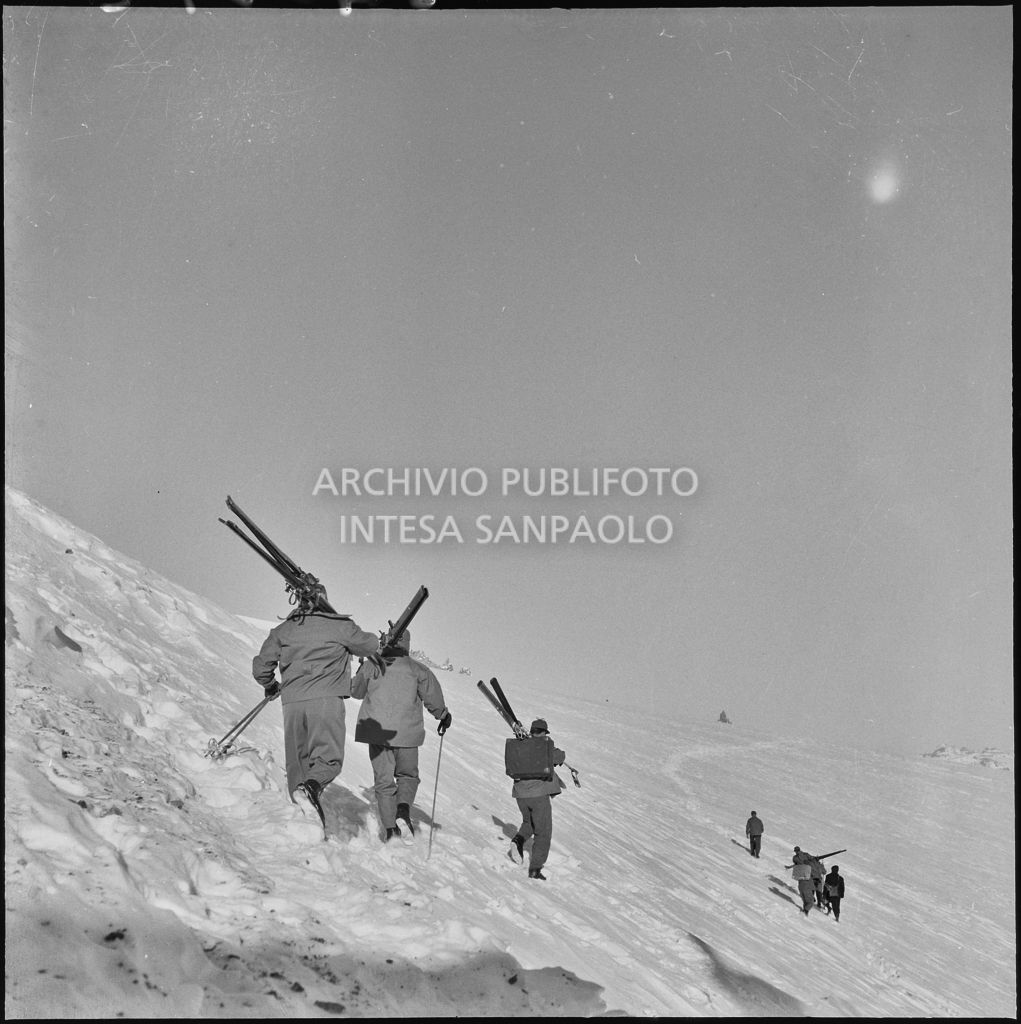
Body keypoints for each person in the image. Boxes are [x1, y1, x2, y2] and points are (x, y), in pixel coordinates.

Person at [251, 585, 382, 825]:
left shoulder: (284, 630)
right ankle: (311, 787)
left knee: (297, 762)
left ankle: (302, 819)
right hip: (326, 700)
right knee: (328, 759)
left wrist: (270, 685)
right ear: (324, 600)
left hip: (292, 704)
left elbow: (261, 668)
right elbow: (370, 645)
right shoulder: (339, 626)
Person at [350, 630, 451, 843]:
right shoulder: (418, 669)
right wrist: (443, 715)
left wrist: (363, 666)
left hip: (377, 733)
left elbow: (356, 691)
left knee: (384, 782)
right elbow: (433, 698)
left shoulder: (373, 665)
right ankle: (403, 809)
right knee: (407, 776)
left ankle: (390, 830)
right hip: (407, 734)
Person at [509, 718, 566, 880]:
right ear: (544, 732)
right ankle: (535, 869)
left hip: (520, 794)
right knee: (543, 831)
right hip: (538, 796)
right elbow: (560, 756)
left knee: (529, 823)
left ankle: (518, 840)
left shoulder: (521, 744)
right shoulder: (545, 746)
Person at [791, 847, 815, 915]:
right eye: (796, 851)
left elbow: (812, 859)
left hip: (803, 880)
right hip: (805, 880)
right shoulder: (795, 857)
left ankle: (805, 912)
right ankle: (805, 911)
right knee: (810, 901)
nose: (797, 852)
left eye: (797, 851)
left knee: (806, 900)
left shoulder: (805, 855)